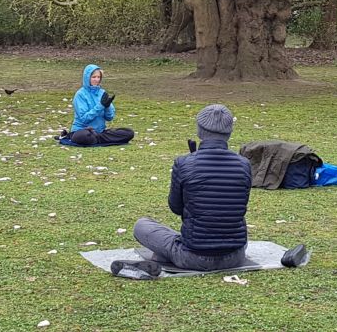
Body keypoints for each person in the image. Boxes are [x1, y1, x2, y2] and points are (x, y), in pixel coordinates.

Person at [114, 105, 307, 279]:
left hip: (193, 256)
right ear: (229, 133)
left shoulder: (184, 163)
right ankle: (166, 254)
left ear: (199, 131)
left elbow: (176, 207)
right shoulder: (244, 164)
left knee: (142, 225)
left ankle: (163, 256)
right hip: (235, 256)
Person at [59, 64, 134, 146]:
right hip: (83, 131)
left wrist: (107, 106)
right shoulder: (80, 94)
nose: (96, 80)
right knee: (84, 136)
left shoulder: (102, 93)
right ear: (87, 78)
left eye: (98, 77)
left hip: (99, 132)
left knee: (129, 133)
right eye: (93, 77)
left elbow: (109, 117)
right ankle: (99, 139)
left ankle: (97, 139)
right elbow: (84, 119)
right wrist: (100, 106)